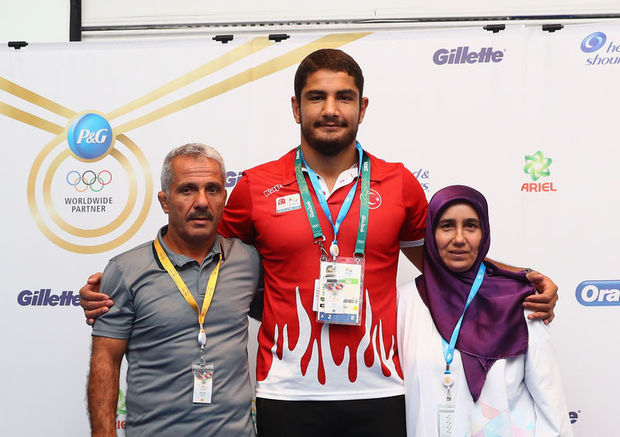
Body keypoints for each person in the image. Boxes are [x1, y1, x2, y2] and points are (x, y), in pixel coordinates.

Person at [81, 50, 558, 436]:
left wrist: (519, 280)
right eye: (317, 97)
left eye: (344, 97)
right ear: (296, 108)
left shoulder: (398, 183)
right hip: (285, 393)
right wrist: (119, 286)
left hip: (381, 390)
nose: (331, 110)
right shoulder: (255, 186)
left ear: (362, 108)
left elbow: (445, 262)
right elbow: (197, 250)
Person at [87, 143, 260, 436]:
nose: (202, 201)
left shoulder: (248, 260)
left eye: (213, 189)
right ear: (165, 201)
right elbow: (105, 362)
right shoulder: (126, 270)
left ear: (224, 198)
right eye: (187, 190)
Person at [397, 185, 572, 436]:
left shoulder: (520, 300)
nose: (459, 238)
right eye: (446, 226)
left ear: (484, 233)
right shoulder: (406, 301)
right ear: (431, 234)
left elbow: (550, 400)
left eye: (471, 226)